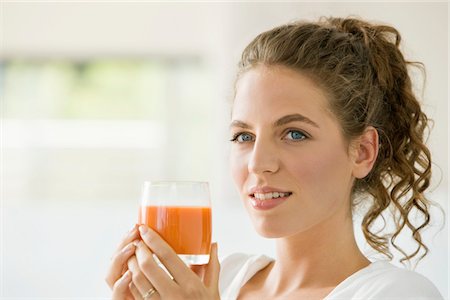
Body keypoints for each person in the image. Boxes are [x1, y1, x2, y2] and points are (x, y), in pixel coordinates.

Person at [105, 16, 444, 299]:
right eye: (244, 136)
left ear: (363, 151)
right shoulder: (220, 281)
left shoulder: (398, 294)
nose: (257, 162)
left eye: (294, 134)